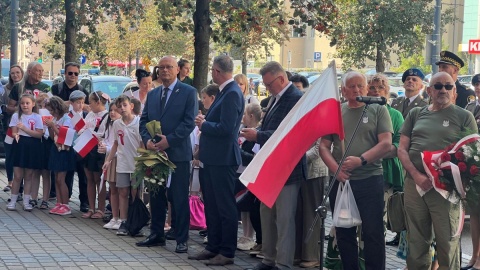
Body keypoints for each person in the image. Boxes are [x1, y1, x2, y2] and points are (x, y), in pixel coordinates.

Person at [398, 72, 476, 270]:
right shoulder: (416, 114)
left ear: (454, 91)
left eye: (448, 86)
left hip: (445, 189)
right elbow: (402, 149)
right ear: (429, 90)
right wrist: (416, 176)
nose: (443, 90)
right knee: (416, 241)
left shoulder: (464, 116)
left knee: (447, 242)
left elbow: (472, 154)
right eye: (438, 86)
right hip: (415, 186)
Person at [319, 71, 393, 270]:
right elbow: (323, 146)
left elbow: (386, 144)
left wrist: (361, 160)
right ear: (343, 90)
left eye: (360, 85)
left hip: (370, 179)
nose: (357, 89)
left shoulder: (378, 109)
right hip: (341, 182)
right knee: (344, 231)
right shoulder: (336, 112)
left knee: (373, 232)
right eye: (351, 86)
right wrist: (336, 170)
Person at [241, 61, 305, 270]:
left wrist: (258, 135)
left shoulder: (295, 98)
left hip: (288, 170)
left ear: (281, 78)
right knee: (266, 213)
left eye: (269, 84)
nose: (267, 88)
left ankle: (283, 263)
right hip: (271, 168)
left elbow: (288, 135)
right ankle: (268, 258)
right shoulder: (276, 99)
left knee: (285, 218)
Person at [137, 56, 197, 254]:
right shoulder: (153, 94)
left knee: (179, 197)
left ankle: (181, 238)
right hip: (155, 153)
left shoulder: (189, 92)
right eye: (161, 67)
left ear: (178, 69)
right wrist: (147, 140)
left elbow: (189, 123)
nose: (164, 71)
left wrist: (169, 140)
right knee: (155, 195)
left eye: (169, 67)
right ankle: (157, 235)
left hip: (177, 153)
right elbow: (143, 120)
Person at [189, 55, 244, 266]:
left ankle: (227, 251)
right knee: (211, 204)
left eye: (212, 70)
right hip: (212, 158)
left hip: (223, 159)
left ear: (217, 71)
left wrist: (204, 124)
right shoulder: (224, 92)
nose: (212, 73)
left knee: (224, 206)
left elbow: (227, 129)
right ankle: (213, 246)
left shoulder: (231, 93)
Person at [367, 73, 405, 246]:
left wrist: (370, 154)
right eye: (372, 88)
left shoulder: (395, 115)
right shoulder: (361, 111)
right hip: (361, 172)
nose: (376, 92)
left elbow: (397, 146)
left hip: (385, 172)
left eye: (380, 88)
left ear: (387, 91)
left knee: (377, 219)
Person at [103, 95, 143, 235]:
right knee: (122, 191)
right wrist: (108, 160)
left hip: (136, 162)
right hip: (122, 162)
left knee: (135, 192)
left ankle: (136, 220)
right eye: (119, 106)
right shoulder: (117, 124)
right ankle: (123, 220)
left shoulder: (138, 122)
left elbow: (142, 143)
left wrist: (143, 160)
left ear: (131, 106)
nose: (122, 108)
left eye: (125, 105)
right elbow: (115, 143)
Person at [6, 94, 44, 211]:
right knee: (17, 176)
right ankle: (13, 200)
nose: (25, 105)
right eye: (22, 103)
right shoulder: (16, 116)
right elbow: (13, 132)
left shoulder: (37, 117)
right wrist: (16, 134)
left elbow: (39, 134)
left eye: (27, 103)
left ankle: (27, 202)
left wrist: (25, 129)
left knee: (29, 176)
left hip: (32, 147)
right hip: (19, 146)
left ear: (33, 104)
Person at [236, 103, 262, 252]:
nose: (243, 117)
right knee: (243, 206)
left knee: (249, 205)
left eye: (245, 114)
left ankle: (250, 236)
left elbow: (254, 157)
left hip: (249, 172)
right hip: (240, 172)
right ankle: (245, 235)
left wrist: (238, 152)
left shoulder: (256, 134)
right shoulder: (242, 132)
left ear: (251, 116)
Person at [44, 96, 77, 215]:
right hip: (56, 148)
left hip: (65, 150)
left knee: (61, 179)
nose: (51, 112)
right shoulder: (55, 119)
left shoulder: (66, 119)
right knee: (56, 178)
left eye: (52, 110)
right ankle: (59, 203)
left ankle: (66, 205)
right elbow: (53, 137)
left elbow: (65, 136)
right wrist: (50, 127)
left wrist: (53, 126)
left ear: (58, 108)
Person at [461, 73, 480, 270]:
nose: (478, 87)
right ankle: (474, 255)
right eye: (475, 84)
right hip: (474, 166)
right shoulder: (470, 108)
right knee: (474, 213)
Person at [81, 91, 109, 219]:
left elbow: (104, 133)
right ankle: (91, 207)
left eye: (91, 102)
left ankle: (101, 208)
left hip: (98, 149)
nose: (89, 105)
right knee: (89, 178)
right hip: (87, 147)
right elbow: (83, 127)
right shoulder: (90, 114)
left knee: (99, 180)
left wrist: (91, 134)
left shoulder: (107, 116)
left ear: (98, 102)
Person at [100, 101, 122, 230]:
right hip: (110, 159)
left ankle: (121, 217)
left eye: (116, 110)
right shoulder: (109, 125)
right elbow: (109, 141)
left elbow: (119, 145)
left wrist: (107, 149)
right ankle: (114, 217)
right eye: (111, 110)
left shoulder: (120, 125)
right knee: (112, 189)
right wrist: (103, 145)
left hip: (119, 159)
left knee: (122, 190)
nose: (113, 113)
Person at [2, 65, 24, 192]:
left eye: (17, 72)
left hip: (24, 128)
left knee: (20, 155)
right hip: (9, 126)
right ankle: (10, 181)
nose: (15, 75)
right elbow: (4, 107)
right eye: (12, 73)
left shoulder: (25, 87)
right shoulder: (5, 89)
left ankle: (21, 184)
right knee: (9, 154)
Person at [68, 90, 89, 212]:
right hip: (70, 148)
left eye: (82, 102)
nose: (80, 105)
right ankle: (67, 197)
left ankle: (84, 201)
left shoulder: (86, 115)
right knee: (68, 175)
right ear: (71, 103)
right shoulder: (68, 116)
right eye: (77, 102)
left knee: (83, 176)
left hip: (82, 149)